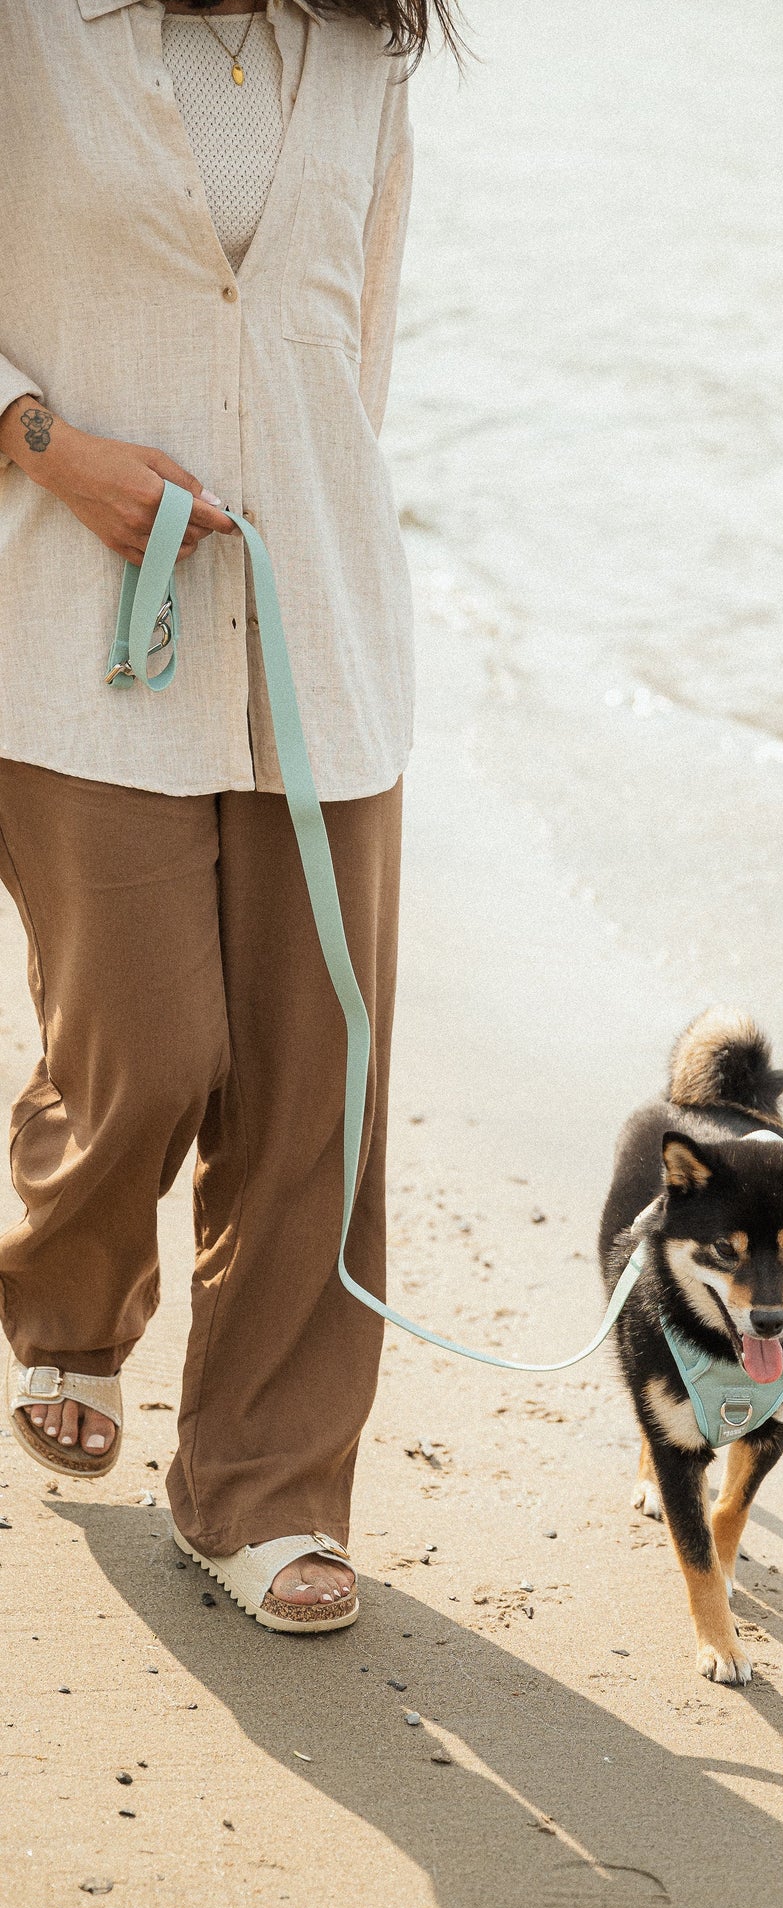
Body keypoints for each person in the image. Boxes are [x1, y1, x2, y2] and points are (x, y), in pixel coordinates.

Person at [0, 0, 461, 1632]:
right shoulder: (34, 31)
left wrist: (316, 545)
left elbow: (356, 340)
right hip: (68, 626)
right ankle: (67, 1297)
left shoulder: (365, 53)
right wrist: (43, 444)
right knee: (147, 1036)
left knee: (312, 1088)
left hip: (320, 628)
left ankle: (262, 1488)